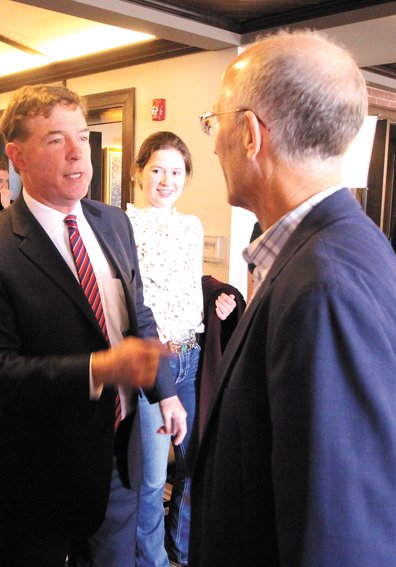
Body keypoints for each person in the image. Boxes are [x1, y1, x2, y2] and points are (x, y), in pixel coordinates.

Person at [189, 30, 396, 566]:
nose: (212, 142)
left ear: (250, 134)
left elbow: (342, 536)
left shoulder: (324, 285)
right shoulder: (339, 243)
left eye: (214, 122)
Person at [0, 84, 185, 567]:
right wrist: (98, 369)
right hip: (39, 472)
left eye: (82, 135)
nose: (79, 153)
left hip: (118, 460)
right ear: (17, 156)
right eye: (56, 140)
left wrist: (166, 391)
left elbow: (135, 312)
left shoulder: (114, 222)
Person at [126, 131, 236, 567]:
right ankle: (149, 559)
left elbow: (188, 285)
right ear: (139, 172)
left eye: (175, 171)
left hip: (191, 354)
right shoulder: (123, 225)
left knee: (192, 465)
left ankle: (183, 550)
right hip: (154, 361)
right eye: (157, 170)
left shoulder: (191, 226)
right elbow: (131, 301)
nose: (166, 180)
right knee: (153, 477)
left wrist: (218, 299)